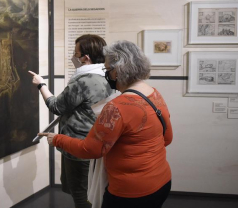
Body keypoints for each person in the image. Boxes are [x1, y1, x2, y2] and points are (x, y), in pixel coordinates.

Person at [39, 40, 173, 208]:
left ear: (117, 70)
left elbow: (91, 150)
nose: (106, 73)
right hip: (161, 181)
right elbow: (167, 138)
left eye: (108, 69)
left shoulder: (116, 107)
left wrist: (57, 139)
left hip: (130, 191)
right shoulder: (154, 94)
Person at [29, 34, 113, 208]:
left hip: (78, 146)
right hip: (98, 143)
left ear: (86, 57)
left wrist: (41, 84)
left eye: (76, 53)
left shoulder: (83, 81)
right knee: (94, 192)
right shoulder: (108, 77)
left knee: (81, 194)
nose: (74, 57)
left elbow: (57, 106)